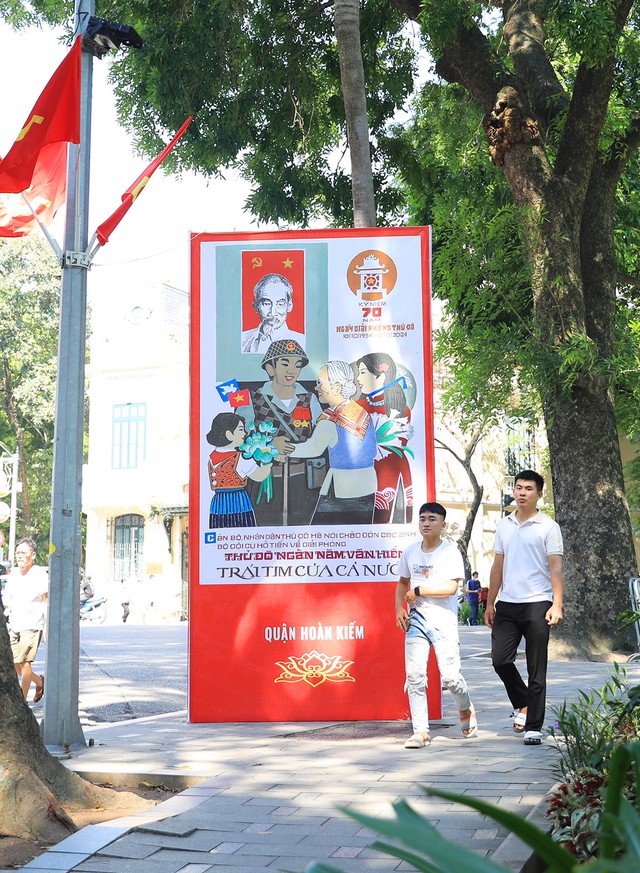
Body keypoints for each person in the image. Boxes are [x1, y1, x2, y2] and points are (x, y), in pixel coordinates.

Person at [485, 469, 563, 746]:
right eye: (518, 488)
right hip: (508, 603)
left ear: (539, 494)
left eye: (528, 488)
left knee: (536, 669)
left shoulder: (548, 527)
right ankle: (523, 702)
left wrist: (557, 603)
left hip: (538, 604)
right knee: (500, 660)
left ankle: (534, 727)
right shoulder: (504, 524)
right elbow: (498, 565)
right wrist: (490, 601)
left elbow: (556, 566)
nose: (521, 492)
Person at [395, 502, 478, 748]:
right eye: (422, 519)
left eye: (432, 519)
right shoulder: (410, 551)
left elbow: (451, 588)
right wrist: (399, 608)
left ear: (442, 524)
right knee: (415, 675)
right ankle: (420, 731)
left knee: (451, 678)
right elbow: (402, 582)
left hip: (443, 621)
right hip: (417, 620)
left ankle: (464, 707)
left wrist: (419, 590)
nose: (426, 523)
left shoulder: (450, 552)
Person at [240, 339, 324, 525]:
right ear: (270, 368)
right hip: (265, 483)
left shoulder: (310, 399)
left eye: (297, 365)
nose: (291, 371)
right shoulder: (251, 399)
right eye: (285, 363)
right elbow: (240, 441)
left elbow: (323, 437)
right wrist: (270, 447)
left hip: (305, 483)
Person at [285, 360, 377, 524]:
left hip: (340, 487)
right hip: (367, 484)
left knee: (322, 536)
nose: (317, 388)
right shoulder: (361, 412)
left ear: (336, 388)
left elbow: (313, 449)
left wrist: (283, 449)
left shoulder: (331, 418)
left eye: (320, 383)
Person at [355, 352, 413, 524]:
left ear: (380, 376)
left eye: (363, 372)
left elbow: (397, 444)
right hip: (363, 472)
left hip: (392, 470)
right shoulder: (356, 407)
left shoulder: (402, 409)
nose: (358, 378)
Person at [206, 411, 287, 528]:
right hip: (237, 502)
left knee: (221, 527)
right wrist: (267, 463)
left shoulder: (212, 457)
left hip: (219, 503)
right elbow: (259, 476)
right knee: (241, 527)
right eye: (240, 430)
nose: (244, 433)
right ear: (229, 434)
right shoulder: (240, 458)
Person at [3, 538, 47, 702]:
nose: (20, 556)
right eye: (18, 553)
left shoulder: (39, 574)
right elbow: (8, 598)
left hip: (32, 623)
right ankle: (40, 682)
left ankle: (22, 700)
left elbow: (46, 600)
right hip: (15, 624)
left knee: (25, 663)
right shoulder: (14, 574)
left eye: (24, 552)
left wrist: (46, 625)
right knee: (15, 663)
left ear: (33, 555)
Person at [241, 273, 305, 354]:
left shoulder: (301, 343)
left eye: (280, 304)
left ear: (289, 306)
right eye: (267, 303)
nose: (273, 312)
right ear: (256, 305)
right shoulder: (242, 339)